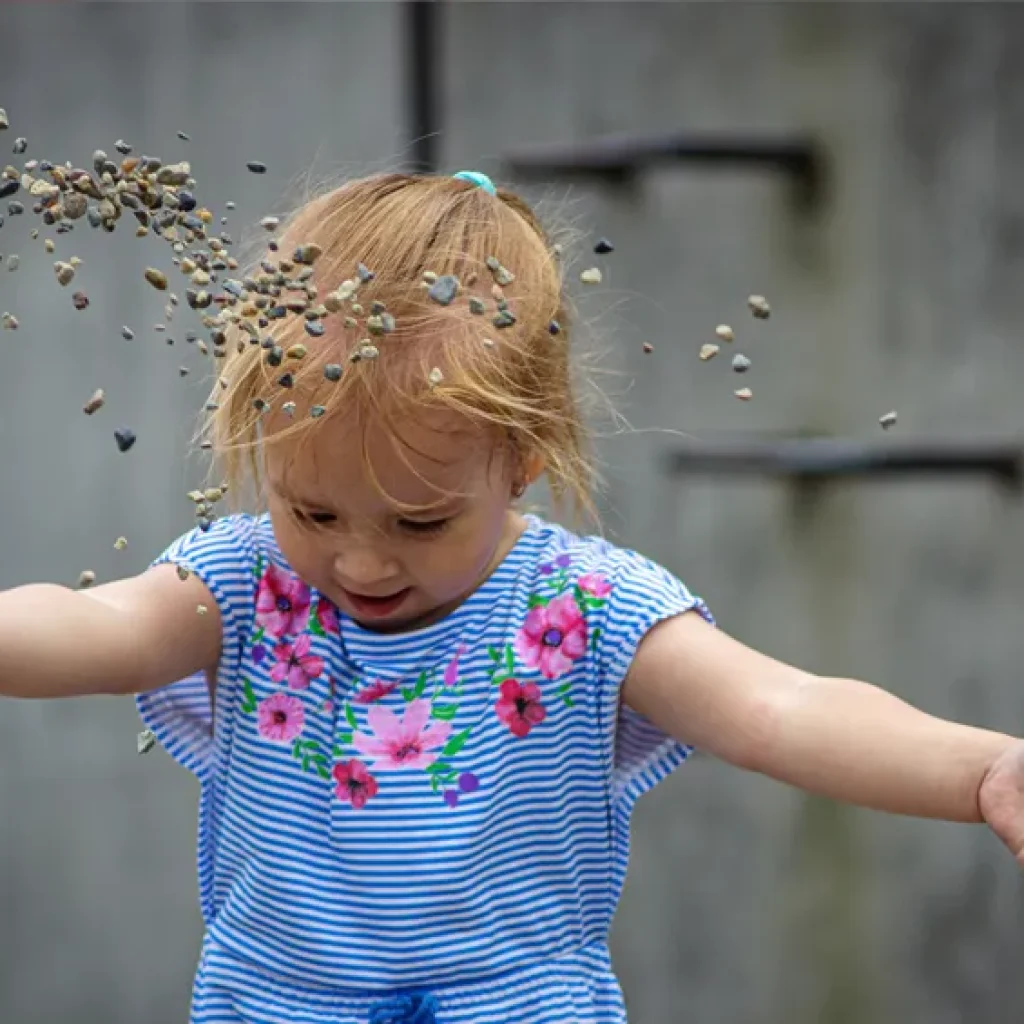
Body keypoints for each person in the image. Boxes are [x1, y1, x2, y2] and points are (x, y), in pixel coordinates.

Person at [3, 169, 1023, 1024]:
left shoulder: (585, 606)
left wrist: (981, 771)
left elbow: (780, 709)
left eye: (418, 523)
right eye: (313, 512)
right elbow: (95, 627)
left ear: (523, 458)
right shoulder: (240, 582)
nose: (361, 563)